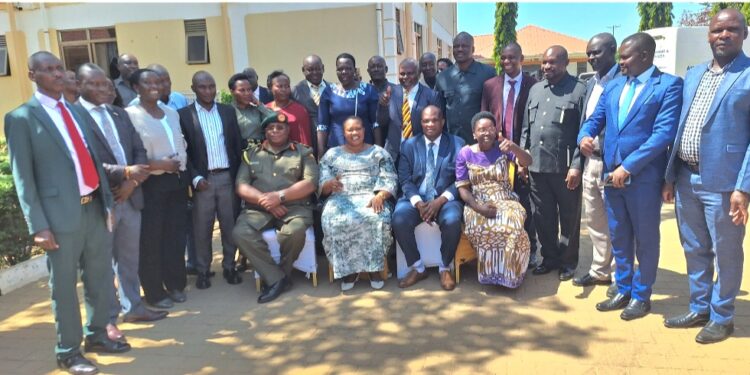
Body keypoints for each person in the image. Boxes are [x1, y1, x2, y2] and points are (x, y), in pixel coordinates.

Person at [5, 51, 128, 375]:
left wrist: (107, 204)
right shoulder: (21, 118)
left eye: (60, 68)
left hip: (93, 211)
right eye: (48, 70)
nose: (58, 74)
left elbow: (92, 161)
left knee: (100, 279)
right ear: (32, 75)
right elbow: (23, 178)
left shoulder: (76, 111)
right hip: (59, 219)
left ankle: (98, 334)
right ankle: (68, 351)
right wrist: (39, 225)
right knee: (63, 288)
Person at [578, 32, 682, 321]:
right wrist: (584, 136)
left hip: (643, 179)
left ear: (645, 56)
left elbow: (662, 134)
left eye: (625, 57)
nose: (620, 62)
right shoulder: (614, 86)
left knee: (645, 239)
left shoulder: (669, 86)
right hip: (612, 176)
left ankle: (641, 295)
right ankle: (622, 288)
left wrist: (629, 167)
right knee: (620, 236)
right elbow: (594, 120)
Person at [662, 9, 750, 344]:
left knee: (726, 251)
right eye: (717, 30)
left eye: (732, 30)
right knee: (694, 247)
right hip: (686, 178)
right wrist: (669, 177)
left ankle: (723, 316)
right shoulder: (694, 74)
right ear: (708, 35)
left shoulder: (747, 75)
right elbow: (681, 125)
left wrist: (744, 187)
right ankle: (700, 306)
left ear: (743, 35)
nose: (723, 35)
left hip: (726, 184)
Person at [75, 63, 168, 344]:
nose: (104, 89)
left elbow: (138, 147)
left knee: (129, 259)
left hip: (130, 196)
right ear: (80, 86)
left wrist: (133, 182)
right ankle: (108, 319)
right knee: (101, 264)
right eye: (96, 84)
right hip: (100, 201)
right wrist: (124, 175)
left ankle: (134, 308)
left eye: (106, 84)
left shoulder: (118, 113)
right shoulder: (75, 117)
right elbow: (84, 160)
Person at [232, 112, 319, 303]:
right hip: (258, 208)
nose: (275, 131)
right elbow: (241, 186)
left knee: (294, 232)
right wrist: (267, 202)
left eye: (280, 127)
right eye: (271, 128)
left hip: (294, 208)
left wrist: (279, 197)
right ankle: (278, 279)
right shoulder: (251, 154)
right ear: (265, 132)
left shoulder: (302, 152)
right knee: (240, 233)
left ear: (288, 130)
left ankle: (279, 276)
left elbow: (310, 183)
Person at [520, 46, 586, 281]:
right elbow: (527, 128)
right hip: (536, 165)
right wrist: (522, 160)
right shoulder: (536, 89)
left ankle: (568, 262)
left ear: (566, 62)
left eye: (552, 63)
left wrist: (577, 165)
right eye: (544, 62)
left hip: (565, 168)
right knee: (542, 216)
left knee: (569, 217)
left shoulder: (579, 90)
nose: (547, 67)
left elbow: (584, 131)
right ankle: (549, 258)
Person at [126, 68, 190, 310]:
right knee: (151, 239)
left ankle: (175, 284)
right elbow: (128, 154)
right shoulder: (130, 115)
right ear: (136, 88)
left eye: (159, 81)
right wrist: (158, 164)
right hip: (150, 183)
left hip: (176, 181)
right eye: (148, 82)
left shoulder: (171, 112)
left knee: (174, 236)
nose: (155, 86)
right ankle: (154, 291)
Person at [179, 71, 243, 289]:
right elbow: (183, 152)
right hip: (202, 181)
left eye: (211, 86)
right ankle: (203, 270)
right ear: (194, 88)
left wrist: (238, 177)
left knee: (229, 225)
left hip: (226, 177)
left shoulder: (227, 112)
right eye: (202, 87)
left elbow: (236, 145)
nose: (208, 91)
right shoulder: (184, 115)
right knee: (202, 228)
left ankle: (229, 266)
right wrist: (194, 177)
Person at [319, 116, 397, 291]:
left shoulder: (378, 153)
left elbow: (390, 178)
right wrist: (329, 184)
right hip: (340, 198)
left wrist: (381, 195)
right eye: (350, 130)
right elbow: (323, 186)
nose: (354, 133)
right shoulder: (331, 155)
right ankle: (348, 271)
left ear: (364, 130)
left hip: (371, 197)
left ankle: (374, 269)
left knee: (377, 217)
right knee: (333, 219)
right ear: (343, 132)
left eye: (358, 129)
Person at [480, 42, 539, 269]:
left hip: (523, 153)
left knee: (526, 204)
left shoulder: (534, 85)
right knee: (503, 203)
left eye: (512, 58)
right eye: (503, 58)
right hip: (497, 154)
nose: (507, 62)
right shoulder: (490, 85)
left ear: (521, 58)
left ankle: (530, 249)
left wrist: (523, 156)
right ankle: (504, 249)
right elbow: (484, 117)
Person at [456, 112, 533, 287]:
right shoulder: (465, 153)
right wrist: (479, 207)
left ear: (496, 131)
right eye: (481, 130)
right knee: (482, 225)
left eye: (490, 128)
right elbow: (462, 189)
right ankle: (491, 274)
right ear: (474, 133)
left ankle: (510, 274)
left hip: (506, 199)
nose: (486, 133)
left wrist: (513, 147)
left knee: (512, 222)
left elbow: (528, 161)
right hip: (477, 202)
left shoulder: (503, 148)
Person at [393, 105, 464, 290]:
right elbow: (405, 179)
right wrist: (418, 203)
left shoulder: (457, 144)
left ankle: (444, 267)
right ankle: (418, 267)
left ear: (442, 122)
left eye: (434, 120)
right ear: (421, 123)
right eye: (426, 121)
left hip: (445, 199)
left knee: (452, 220)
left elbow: (461, 179)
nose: (430, 124)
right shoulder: (408, 145)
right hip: (417, 199)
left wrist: (440, 201)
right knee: (399, 219)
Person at [572, 33, 620, 291]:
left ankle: (618, 276)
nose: (591, 58)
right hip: (591, 161)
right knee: (596, 220)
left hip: (614, 165)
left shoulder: (623, 80)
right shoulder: (592, 83)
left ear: (612, 50)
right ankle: (600, 269)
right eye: (589, 53)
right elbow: (586, 122)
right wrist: (582, 144)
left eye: (597, 53)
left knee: (617, 222)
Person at [435, 32, 496, 144]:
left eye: (464, 46)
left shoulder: (488, 73)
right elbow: (439, 111)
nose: (460, 49)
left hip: (481, 143)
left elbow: (495, 108)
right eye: (456, 46)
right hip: (452, 143)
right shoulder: (442, 78)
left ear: (473, 49)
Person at [377, 58, 442, 165]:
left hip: (420, 155)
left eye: (410, 73)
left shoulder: (431, 95)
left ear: (419, 74)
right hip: (394, 155)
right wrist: (383, 106)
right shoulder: (390, 93)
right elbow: (382, 122)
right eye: (402, 74)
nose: (405, 77)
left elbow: (437, 127)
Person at [317, 53, 382, 157]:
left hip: (364, 149)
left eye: (348, 68)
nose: (344, 72)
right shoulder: (329, 91)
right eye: (340, 69)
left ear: (354, 70)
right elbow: (322, 126)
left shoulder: (368, 90)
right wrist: (321, 153)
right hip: (337, 149)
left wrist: (379, 151)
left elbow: (375, 123)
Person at [293, 54, 330, 157]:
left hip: (331, 141)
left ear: (323, 68)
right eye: (310, 70)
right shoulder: (295, 91)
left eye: (318, 69)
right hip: (307, 142)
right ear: (303, 70)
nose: (315, 73)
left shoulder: (334, 89)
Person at [266, 70, 313, 147]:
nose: (284, 89)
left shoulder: (300, 110)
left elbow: (305, 139)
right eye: (280, 86)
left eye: (287, 86)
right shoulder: (265, 109)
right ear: (270, 88)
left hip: (294, 155)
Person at [228, 72, 275, 146]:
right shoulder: (227, 111)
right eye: (242, 90)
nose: (247, 93)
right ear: (232, 92)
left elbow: (275, 119)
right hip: (238, 153)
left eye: (249, 89)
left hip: (259, 152)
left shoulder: (257, 110)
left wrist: (259, 104)